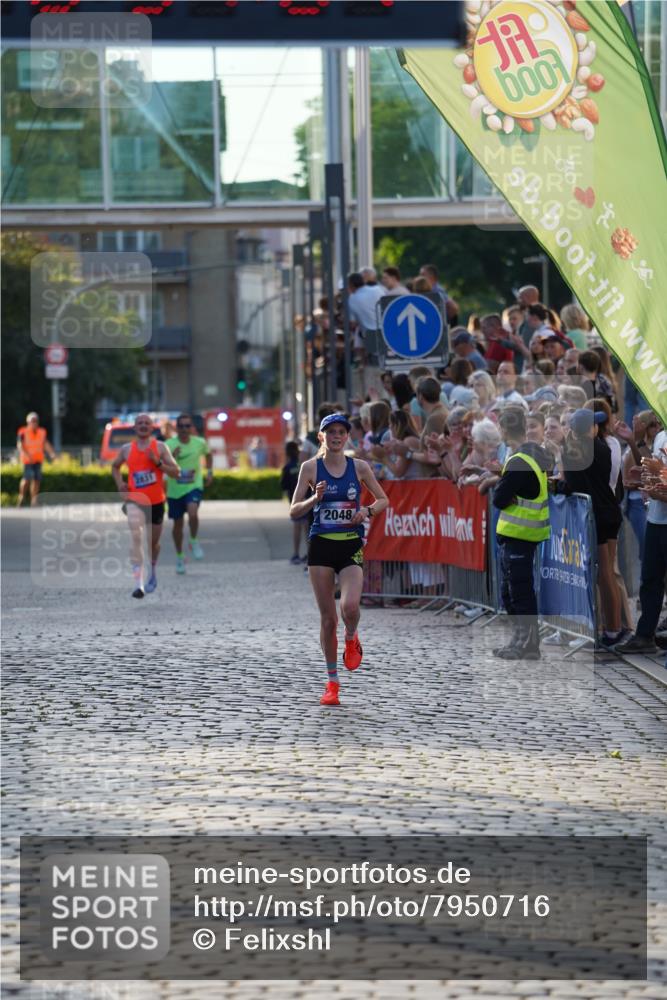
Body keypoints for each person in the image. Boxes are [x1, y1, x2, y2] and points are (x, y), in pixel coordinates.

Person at [289, 413, 388, 707]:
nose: (336, 436)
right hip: (321, 546)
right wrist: (314, 499)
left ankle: (352, 635)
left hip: (350, 545)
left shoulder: (359, 467)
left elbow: (383, 499)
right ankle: (332, 683)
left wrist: (366, 511)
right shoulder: (310, 467)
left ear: (347, 437)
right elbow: (294, 510)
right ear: (322, 436)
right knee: (328, 619)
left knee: (350, 606)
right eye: (330, 432)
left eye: (341, 432)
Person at [558, 408, 623, 647]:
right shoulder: (602, 447)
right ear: (591, 428)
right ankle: (613, 629)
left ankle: (609, 629)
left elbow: (572, 486)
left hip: (595, 514)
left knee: (602, 574)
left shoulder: (572, 451)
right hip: (609, 511)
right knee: (607, 573)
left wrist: (558, 486)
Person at [493, 406, 552, 659]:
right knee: (515, 591)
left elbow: (499, 498)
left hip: (520, 535)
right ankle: (524, 643)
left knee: (518, 592)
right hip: (523, 535)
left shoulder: (519, 461)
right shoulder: (529, 455)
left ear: (505, 429)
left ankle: (524, 644)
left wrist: (502, 489)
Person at [111, 413, 180, 598]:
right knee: (136, 536)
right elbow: (115, 467)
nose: (143, 425)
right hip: (135, 501)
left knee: (153, 544)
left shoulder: (160, 447)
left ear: (152, 428)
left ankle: (152, 570)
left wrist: (158, 463)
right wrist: (120, 484)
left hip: (156, 502)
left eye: (146, 423)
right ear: (134, 427)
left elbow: (176, 472)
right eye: (139, 423)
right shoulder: (126, 449)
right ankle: (138, 584)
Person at [615, 423, 667, 655]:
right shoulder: (662, 435)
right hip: (655, 519)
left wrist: (654, 488)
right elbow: (654, 472)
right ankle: (645, 635)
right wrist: (642, 480)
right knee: (650, 580)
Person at [165, 413, 213, 574]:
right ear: (177, 428)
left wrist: (209, 472)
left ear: (191, 427)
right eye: (181, 426)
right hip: (175, 490)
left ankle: (193, 540)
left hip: (194, 485)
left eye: (187, 426)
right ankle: (180, 556)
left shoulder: (199, 442)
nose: (184, 429)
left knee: (193, 512)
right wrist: (173, 457)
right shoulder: (169, 444)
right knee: (177, 525)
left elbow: (208, 454)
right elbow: (162, 466)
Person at [16, 412, 56, 507]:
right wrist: (27, 455)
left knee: (37, 480)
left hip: (38, 459)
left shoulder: (42, 432)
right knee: (27, 479)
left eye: (36, 421)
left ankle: (34, 500)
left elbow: (45, 443)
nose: (34, 423)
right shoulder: (23, 432)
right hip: (27, 460)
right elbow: (20, 445)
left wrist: (52, 453)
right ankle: (21, 496)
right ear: (28, 422)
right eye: (32, 421)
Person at [281, 440, 307, 565]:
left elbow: (284, 486)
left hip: (295, 501)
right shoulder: (304, 465)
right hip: (307, 500)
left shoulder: (287, 467)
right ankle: (310, 553)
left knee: (297, 527)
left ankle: (296, 554)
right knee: (308, 528)